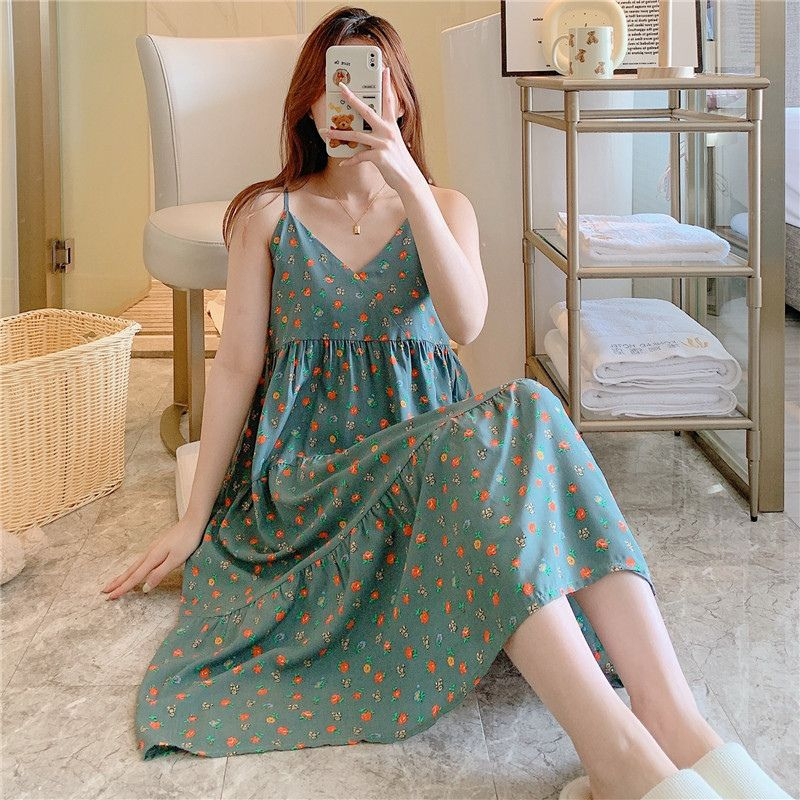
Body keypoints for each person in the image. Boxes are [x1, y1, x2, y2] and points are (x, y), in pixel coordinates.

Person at [102, 8, 793, 800]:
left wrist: (407, 183)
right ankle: (624, 757)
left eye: (370, 83)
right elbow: (235, 369)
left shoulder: (445, 207)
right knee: (515, 415)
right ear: (305, 103)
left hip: (433, 471)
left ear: (400, 100)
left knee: (529, 407)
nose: (350, 101)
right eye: (332, 83)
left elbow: (466, 323)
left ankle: (678, 727)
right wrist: (195, 519)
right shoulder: (266, 215)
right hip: (319, 481)